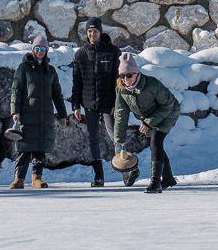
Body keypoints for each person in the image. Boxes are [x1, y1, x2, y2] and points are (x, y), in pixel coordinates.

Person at [113, 53, 180, 193]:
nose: (125, 79)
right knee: (155, 145)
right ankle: (168, 178)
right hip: (150, 116)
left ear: (136, 73)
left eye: (129, 75)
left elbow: (168, 105)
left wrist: (149, 123)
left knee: (155, 141)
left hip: (169, 111)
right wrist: (120, 139)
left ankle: (156, 182)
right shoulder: (121, 89)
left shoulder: (151, 84)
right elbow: (121, 114)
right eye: (122, 76)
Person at [9, 36, 68, 189]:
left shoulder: (51, 70)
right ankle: (19, 179)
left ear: (46, 50)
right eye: (37, 48)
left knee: (40, 148)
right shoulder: (24, 68)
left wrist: (63, 114)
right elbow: (16, 90)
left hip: (45, 115)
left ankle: (37, 178)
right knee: (24, 147)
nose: (40, 51)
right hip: (27, 114)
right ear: (33, 50)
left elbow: (57, 94)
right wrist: (15, 111)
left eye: (43, 49)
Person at [69, 17, 121, 187]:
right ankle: (99, 176)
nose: (92, 34)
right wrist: (76, 105)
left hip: (108, 103)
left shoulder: (112, 51)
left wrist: (116, 103)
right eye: (89, 31)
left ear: (100, 32)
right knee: (93, 139)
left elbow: (118, 80)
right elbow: (77, 82)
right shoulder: (80, 54)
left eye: (95, 31)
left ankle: (126, 168)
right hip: (89, 102)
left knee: (116, 135)